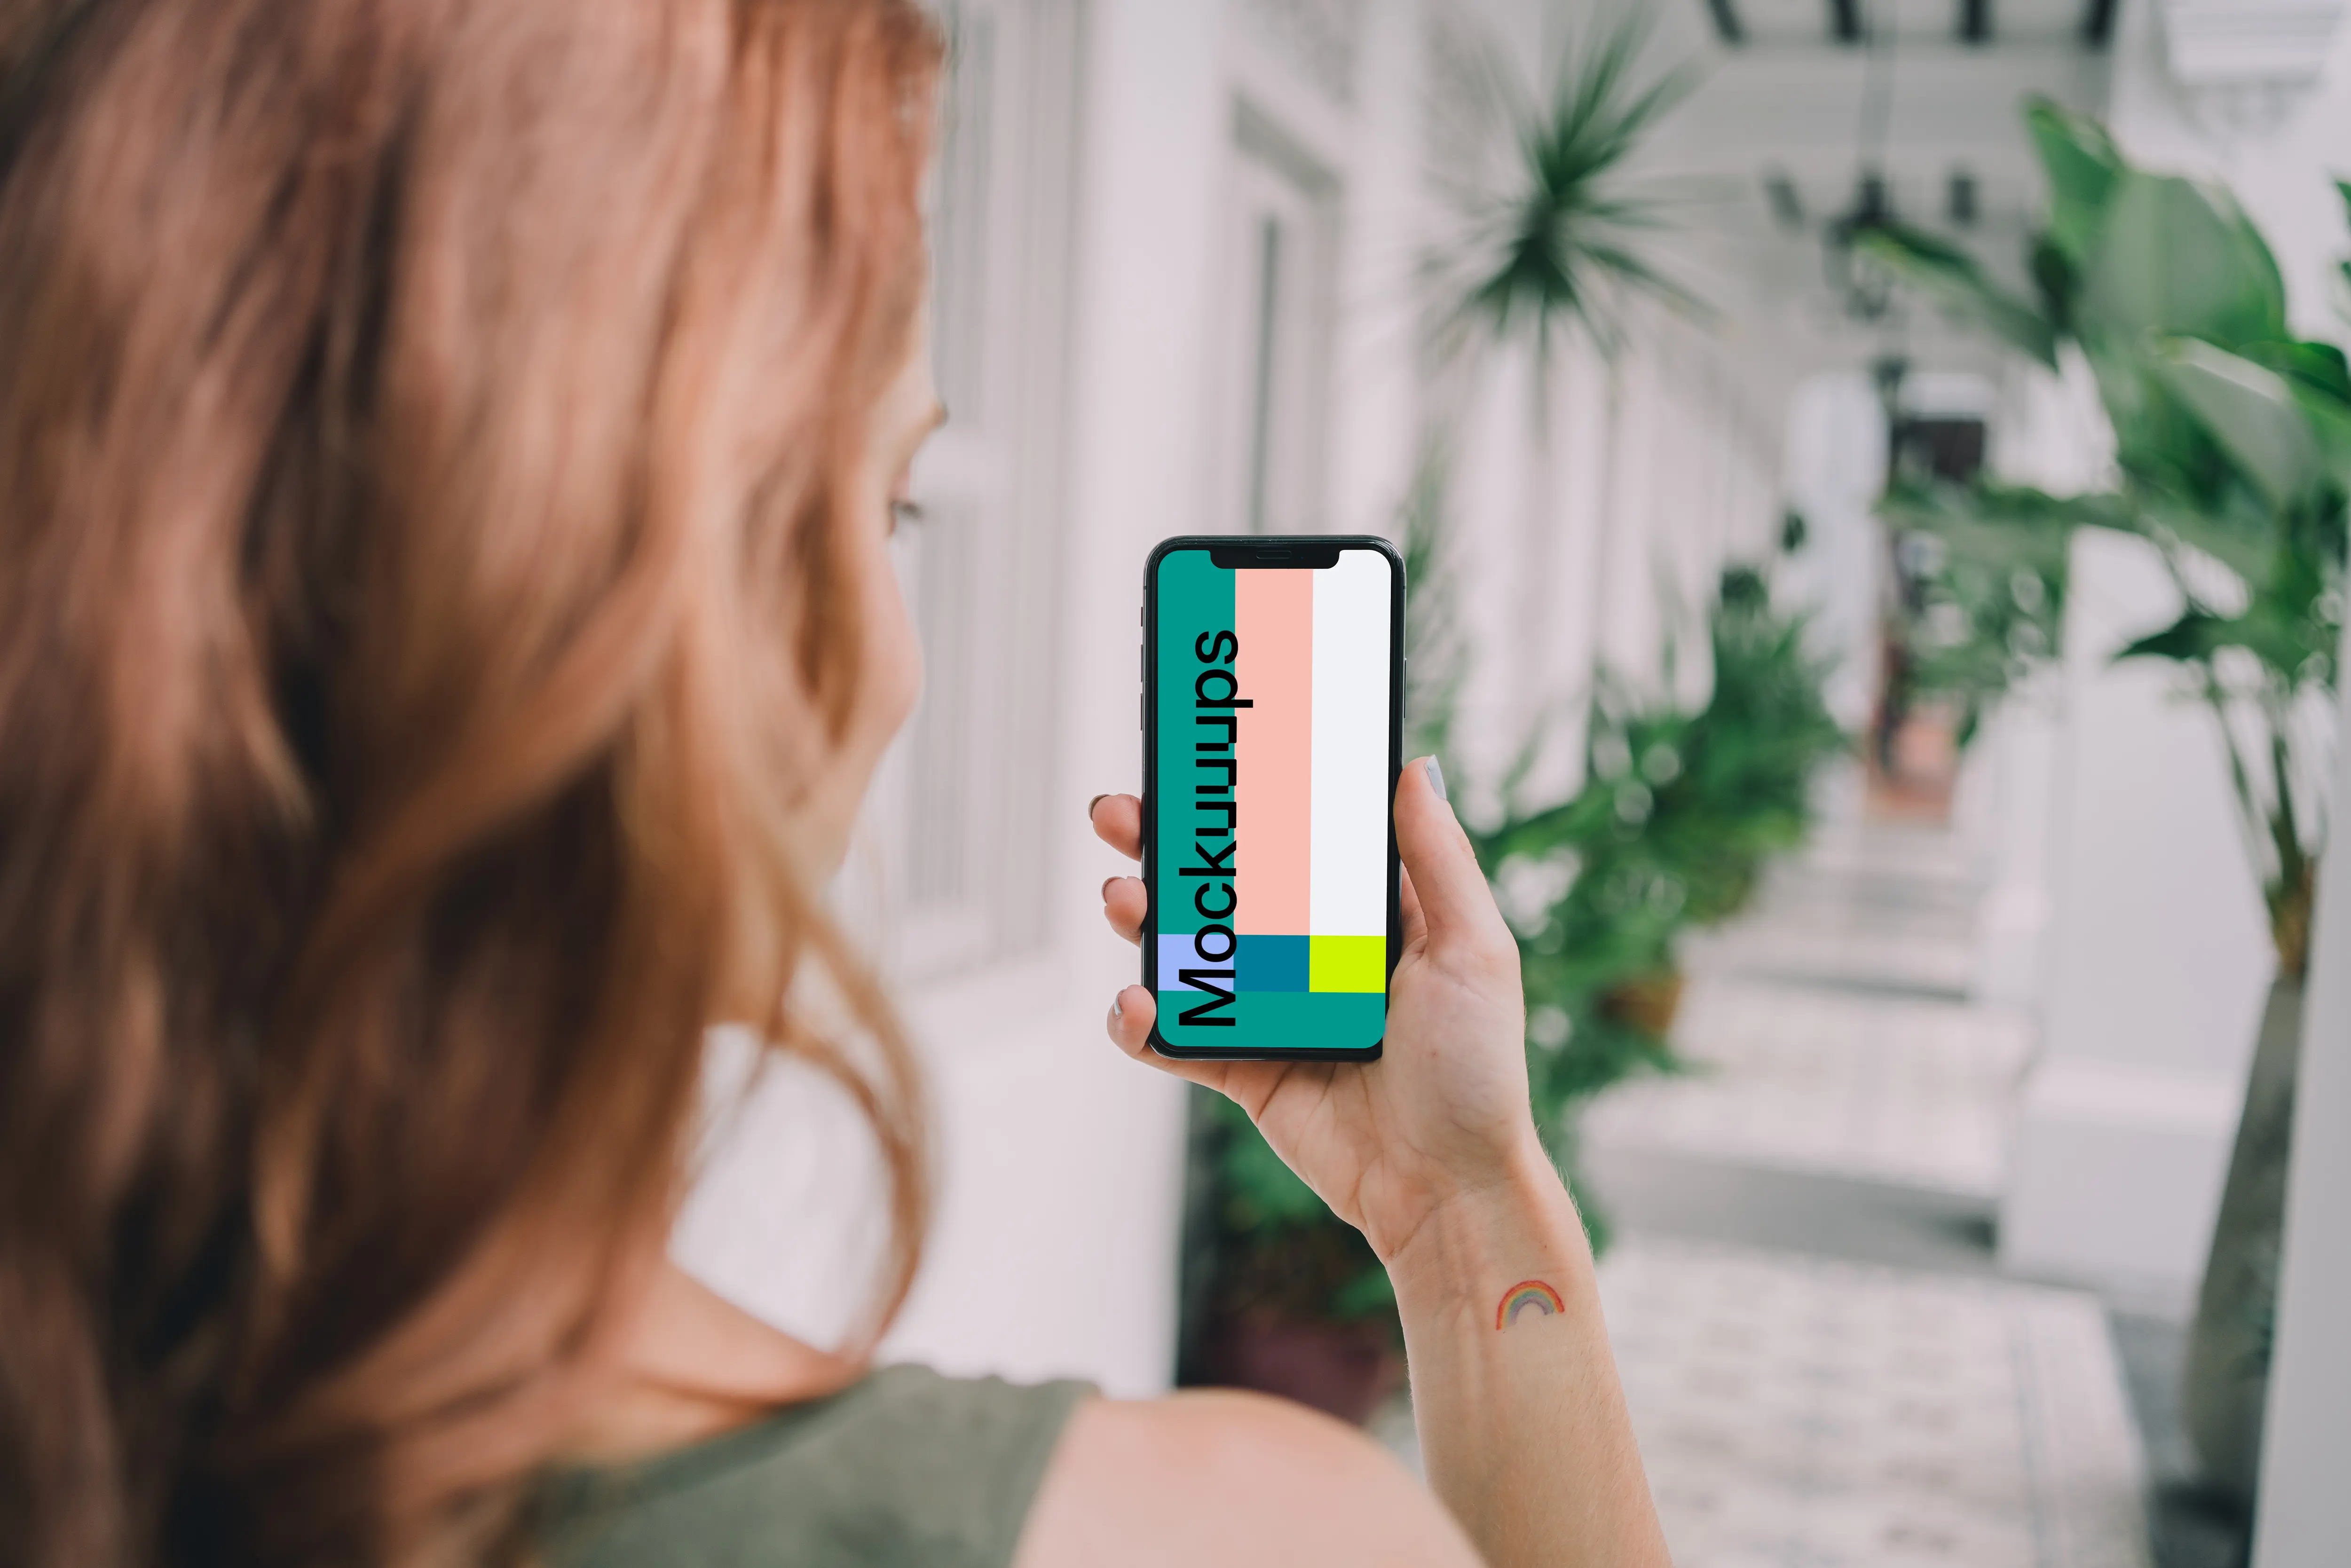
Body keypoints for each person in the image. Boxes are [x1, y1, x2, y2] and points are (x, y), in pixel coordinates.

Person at [0, 1, 1670, 1565]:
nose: (896, 655)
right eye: (887, 505)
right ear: (603, 599)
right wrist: (1463, 1217)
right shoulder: (1230, 1537)